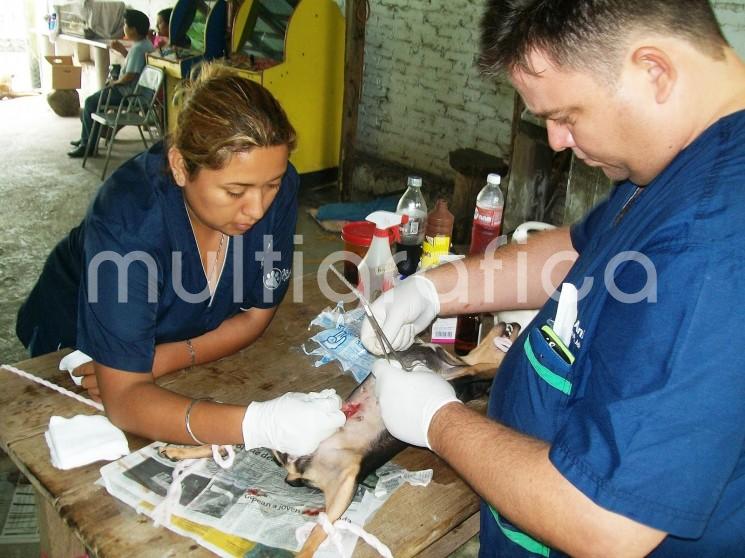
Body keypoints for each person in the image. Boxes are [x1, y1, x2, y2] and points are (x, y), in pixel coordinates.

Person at [362, 1, 745, 556]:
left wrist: (436, 421)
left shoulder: (714, 237)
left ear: (654, 71)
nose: (558, 141)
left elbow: (608, 523)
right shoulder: (680, 157)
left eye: (567, 116)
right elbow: (580, 251)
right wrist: (435, 290)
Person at [18, 62, 345, 456]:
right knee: (59, 445)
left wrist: (163, 358)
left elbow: (256, 316)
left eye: (271, 185)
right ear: (179, 166)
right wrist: (259, 425)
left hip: (166, 343)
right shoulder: (129, 221)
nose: (258, 209)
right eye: (235, 190)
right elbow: (124, 400)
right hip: (74, 341)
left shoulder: (277, 184)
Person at [68, 9, 155, 158]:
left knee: (90, 103)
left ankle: (87, 145)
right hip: (135, 91)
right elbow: (135, 67)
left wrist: (114, 83)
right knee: (95, 100)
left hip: (128, 93)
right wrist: (122, 51)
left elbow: (130, 75)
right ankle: (87, 139)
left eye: (125, 24)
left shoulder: (139, 48)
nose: (123, 27)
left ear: (133, 29)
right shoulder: (145, 44)